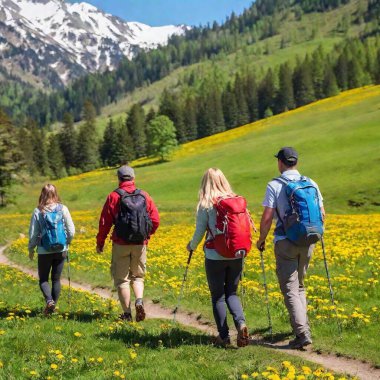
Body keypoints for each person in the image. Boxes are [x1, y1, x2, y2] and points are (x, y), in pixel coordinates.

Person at [256, 147, 325, 349]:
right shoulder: (311, 183)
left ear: (280, 162)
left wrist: (261, 239)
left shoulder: (274, 185)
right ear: (296, 162)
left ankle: (302, 334)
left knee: (290, 289)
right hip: (309, 240)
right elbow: (322, 213)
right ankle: (304, 329)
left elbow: (268, 217)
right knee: (300, 286)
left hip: (285, 241)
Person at [187, 168, 250, 348]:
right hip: (236, 254)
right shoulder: (236, 200)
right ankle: (241, 323)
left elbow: (200, 231)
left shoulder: (206, 204)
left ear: (205, 183)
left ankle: (224, 336)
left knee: (218, 296)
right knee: (232, 292)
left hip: (215, 256)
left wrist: (191, 246)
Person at [96, 165, 159, 322]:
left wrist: (100, 243)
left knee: (122, 280)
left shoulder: (113, 196)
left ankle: (126, 314)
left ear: (119, 179)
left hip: (120, 243)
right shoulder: (144, 195)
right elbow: (155, 220)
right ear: (133, 178)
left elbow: (105, 223)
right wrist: (147, 235)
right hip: (140, 243)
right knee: (138, 277)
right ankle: (139, 300)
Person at [28, 184, 75, 315]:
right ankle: (52, 306)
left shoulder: (38, 211)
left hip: (44, 250)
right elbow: (71, 230)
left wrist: (31, 249)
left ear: (42, 194)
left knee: (43, 279)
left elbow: (33, 233)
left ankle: (49, 302)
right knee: (56, 279)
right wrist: (68, 242)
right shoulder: (63, 208)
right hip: (61, 249)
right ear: (55, 194)